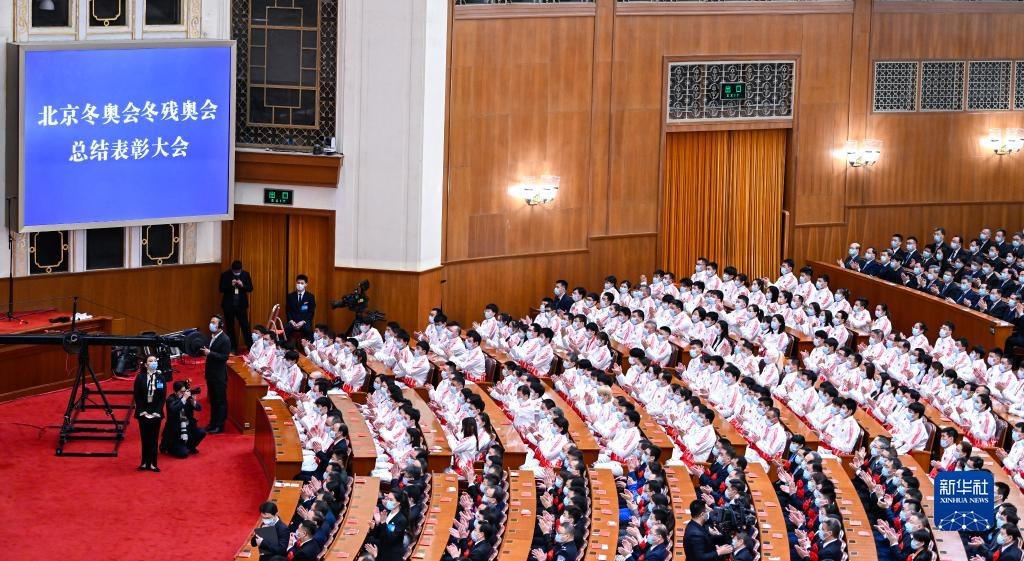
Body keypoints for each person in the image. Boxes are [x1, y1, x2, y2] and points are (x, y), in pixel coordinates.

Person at [133, 355, 166, 472]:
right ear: (146, 364)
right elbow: (137, 395)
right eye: (151, 361)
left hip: (156, 411)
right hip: (143, 411)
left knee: (154, 439)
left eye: (155, 361)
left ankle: (152, 463)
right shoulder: (140, 377)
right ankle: (144, 462)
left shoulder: (161, 377)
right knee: (145, 438)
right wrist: (142, 410)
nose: (153, 363)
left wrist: (157, 411)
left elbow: (162, 397)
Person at [202, 315, 232, 434]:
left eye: (214, 322)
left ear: (220, 325)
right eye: (211, 321)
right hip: (210, 374)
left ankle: (220, 426)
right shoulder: (212, 337)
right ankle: (212, 423)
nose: (211, 324)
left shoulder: (225, 339)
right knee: (213, 401)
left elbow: (224, 357)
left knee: (220, 401)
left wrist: (210, 353)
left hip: (219, 376)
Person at [161, 381, 206, 457]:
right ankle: (168, 446)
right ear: (175, 391)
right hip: (175, 432)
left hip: (188, 428)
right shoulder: (170, 400)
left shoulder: (187, 398)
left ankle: (190, 447)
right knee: (183, 454)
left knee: (201, 432)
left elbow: (199, 408)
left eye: (184, 391)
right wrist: (184, 398)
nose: (183, 394)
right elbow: (174, 409)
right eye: (181, 392)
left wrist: (193, 401)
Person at [219, 259, 254, 353]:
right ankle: (233, 347)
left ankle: (250, 346)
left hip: (241, 305)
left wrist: (243, 285)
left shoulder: (245, 274)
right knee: (230, 327)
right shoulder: (225, 275)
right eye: (235, 271)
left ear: (241, 269)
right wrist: (230, 285)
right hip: (228, 306)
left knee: (245, 326)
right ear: (232, 269)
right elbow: (221, 289)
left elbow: (250, 288)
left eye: (238, 271)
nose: (237, 273)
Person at [369, 489, 408, 561]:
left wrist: (383, 523)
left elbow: (390, 538)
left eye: (391, 500)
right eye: (387, 499)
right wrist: (377, 524)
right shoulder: (387, 512)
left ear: (398, 502)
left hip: (391, 555)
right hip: (382, 548)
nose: (388, 501)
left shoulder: (401, 519)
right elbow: (380, 534)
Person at [286, 274, 317, 339]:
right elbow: (288, 310)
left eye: (302, 283)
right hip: (293, 322)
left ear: (306, 284)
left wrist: (303, 322)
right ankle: (287, 345)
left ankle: (308, 345)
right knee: (285, 329)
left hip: (304, 322)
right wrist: (291, 320)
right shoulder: (290, 296)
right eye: (298, 283)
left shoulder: (310, 297)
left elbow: (311, 312)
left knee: (308, 330)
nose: (299, 284)